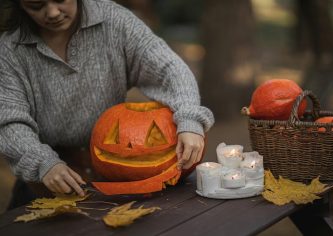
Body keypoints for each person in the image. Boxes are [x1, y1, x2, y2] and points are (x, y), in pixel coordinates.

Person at [0, 0, 214, 206]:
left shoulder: (113, 20)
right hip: (46, 178)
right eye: (36, 5)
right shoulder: (9, 51)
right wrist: (42, 163)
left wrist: (190, 117)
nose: (53, 12)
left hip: (114, 173)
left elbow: (169, 68)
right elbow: (9, 120)